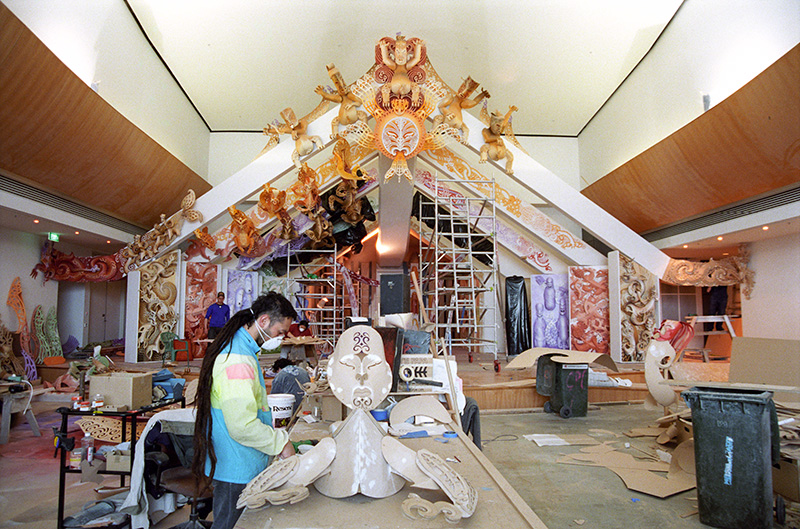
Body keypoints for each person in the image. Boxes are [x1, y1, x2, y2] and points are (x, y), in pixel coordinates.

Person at [192, 292, 297, 529]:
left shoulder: (244, 349)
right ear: (263, 321)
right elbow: (241, 425)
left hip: (241, 461)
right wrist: (280, 443)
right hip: (236, 467)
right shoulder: (237, 360)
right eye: (279, 332)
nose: (280, 339)